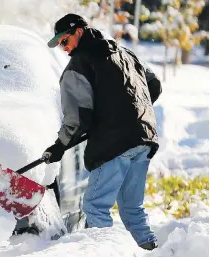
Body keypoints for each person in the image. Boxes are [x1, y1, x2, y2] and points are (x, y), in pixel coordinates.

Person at [42, 14, 162, 251]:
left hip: (114, 143)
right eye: (61, 45)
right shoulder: (125, 53)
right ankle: (150, 250)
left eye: (65, 41)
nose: (64, 49)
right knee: (131, 207)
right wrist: (128, 111)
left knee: (96, 207)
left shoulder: (78, 66)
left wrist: (59, 146)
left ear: (79, 31)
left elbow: (78, 119)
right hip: (144, 138)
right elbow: (154, 84)